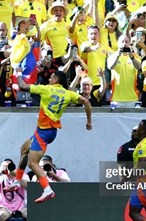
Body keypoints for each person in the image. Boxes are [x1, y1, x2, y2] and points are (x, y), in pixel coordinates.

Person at [5, 69, 92, 203]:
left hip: (43, 132)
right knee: (24, 149)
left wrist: (19, 73)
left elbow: (22, 86)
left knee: (33, 163)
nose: (49, 79)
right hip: (49, 131)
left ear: (56, 80)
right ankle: (17, 181)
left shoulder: (46, 89)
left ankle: (47, 189)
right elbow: (86, 102)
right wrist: (88, 122)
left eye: (51, 77)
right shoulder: (68, 94)